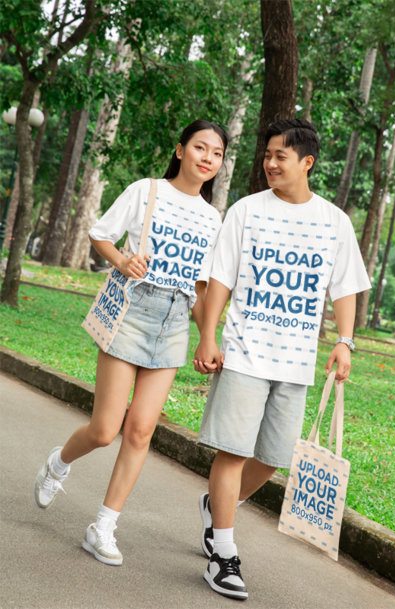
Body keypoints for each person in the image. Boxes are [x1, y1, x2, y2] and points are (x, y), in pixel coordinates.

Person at [34, 119, 228, 566]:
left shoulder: (211, 218)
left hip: (174, 320)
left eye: (216, 153)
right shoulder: (147, 190)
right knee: (105, 429)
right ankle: (58, 462)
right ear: (180, 150)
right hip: (131, 310)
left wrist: (207, 337)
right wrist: (123, 260)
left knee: (141, 430)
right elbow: (100, 233)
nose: (207, 158)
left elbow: (200, 289)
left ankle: (103, 526)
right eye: (200, 148)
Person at [193, 119, 371, 601]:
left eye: (280, 157)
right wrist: (208, 334)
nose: (270, 163)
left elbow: (346, 286)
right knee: (232, 450)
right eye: (267, 155)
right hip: (245, 353)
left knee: (272, 458)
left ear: (306, 163)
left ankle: (218, 507)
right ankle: (223, 552)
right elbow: (221, 278)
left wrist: (345, 341)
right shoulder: (247, 211)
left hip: (295, 363)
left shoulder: (334, 221)